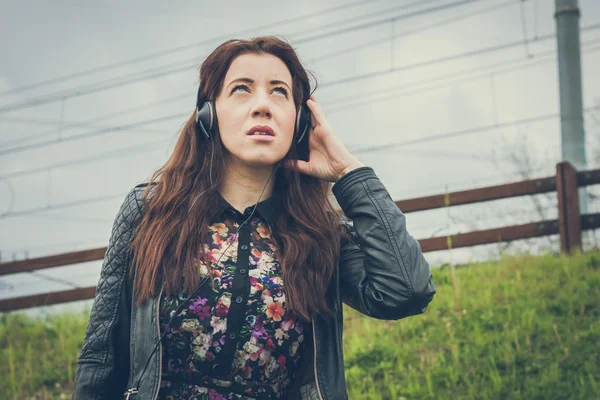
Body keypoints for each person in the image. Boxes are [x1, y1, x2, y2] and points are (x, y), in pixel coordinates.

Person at [72, 36, 436, 400]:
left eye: (279, 92)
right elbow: (101, 357)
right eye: (242, 89)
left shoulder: (320, 233)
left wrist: (350, 173)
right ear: (208, 113)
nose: (262, 105)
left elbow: (405, 291)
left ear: (301, 120)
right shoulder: (150, 209)